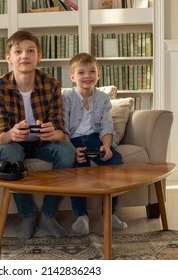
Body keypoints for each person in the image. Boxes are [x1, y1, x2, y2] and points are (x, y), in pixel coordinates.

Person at [0, 30, 75, 239]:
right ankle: (27, 216)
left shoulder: (51, 84)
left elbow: (60, 131)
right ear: (8, 58)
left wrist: (53, 133)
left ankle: (48, 215)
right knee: (11, 152)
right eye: (18, 51)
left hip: (40, 143)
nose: (24, 56)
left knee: (66, 150)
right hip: (12, 144)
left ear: (39, 56)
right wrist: (11, 133)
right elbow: (1, 136)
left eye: (30, 51)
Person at [62, 53, 128, 236]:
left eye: (92, 71)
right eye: (81, 72)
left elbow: (107, 126)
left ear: (98, 75)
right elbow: (63, 129)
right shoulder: (67, 97)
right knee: (78, 168)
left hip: (95, 138)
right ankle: (81, 216)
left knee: (115, 162)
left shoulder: (103, 98)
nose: (87, 76)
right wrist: (73, 150)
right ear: (73, 77)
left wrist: (107, 146)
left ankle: (109, 214)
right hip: (74, 140)